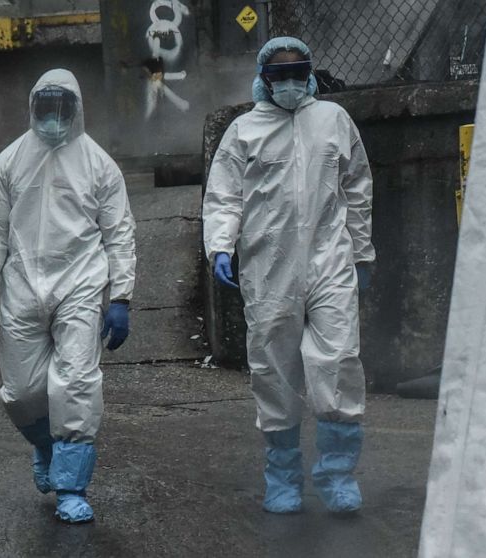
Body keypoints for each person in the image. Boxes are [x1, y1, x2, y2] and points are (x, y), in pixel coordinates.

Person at [203, 37, 375, 515]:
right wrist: (220, 245)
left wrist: (360, 253)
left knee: (338, 360)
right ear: (264, 78)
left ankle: (337, 474)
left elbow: (357, 186)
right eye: (280, 75)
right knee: (273, 371)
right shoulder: (244, 131)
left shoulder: (333, 120)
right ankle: (282, 476)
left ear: (311, 73)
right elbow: (224, 196)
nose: (291, 83)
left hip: (329, 261)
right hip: (268, 265)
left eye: (298, 72)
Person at [0, 69, 136, 524]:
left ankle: (71, 486)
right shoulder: (10, 163)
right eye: (45, 109)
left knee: (76, 384)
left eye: (62, 109)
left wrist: (119, 296)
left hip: (80, 284)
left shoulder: (99, 165)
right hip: (23, 285)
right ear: (32, 108)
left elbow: (118, 234)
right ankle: (45, 443)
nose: (53, 119)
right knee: (23, 391)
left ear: (77, 109)